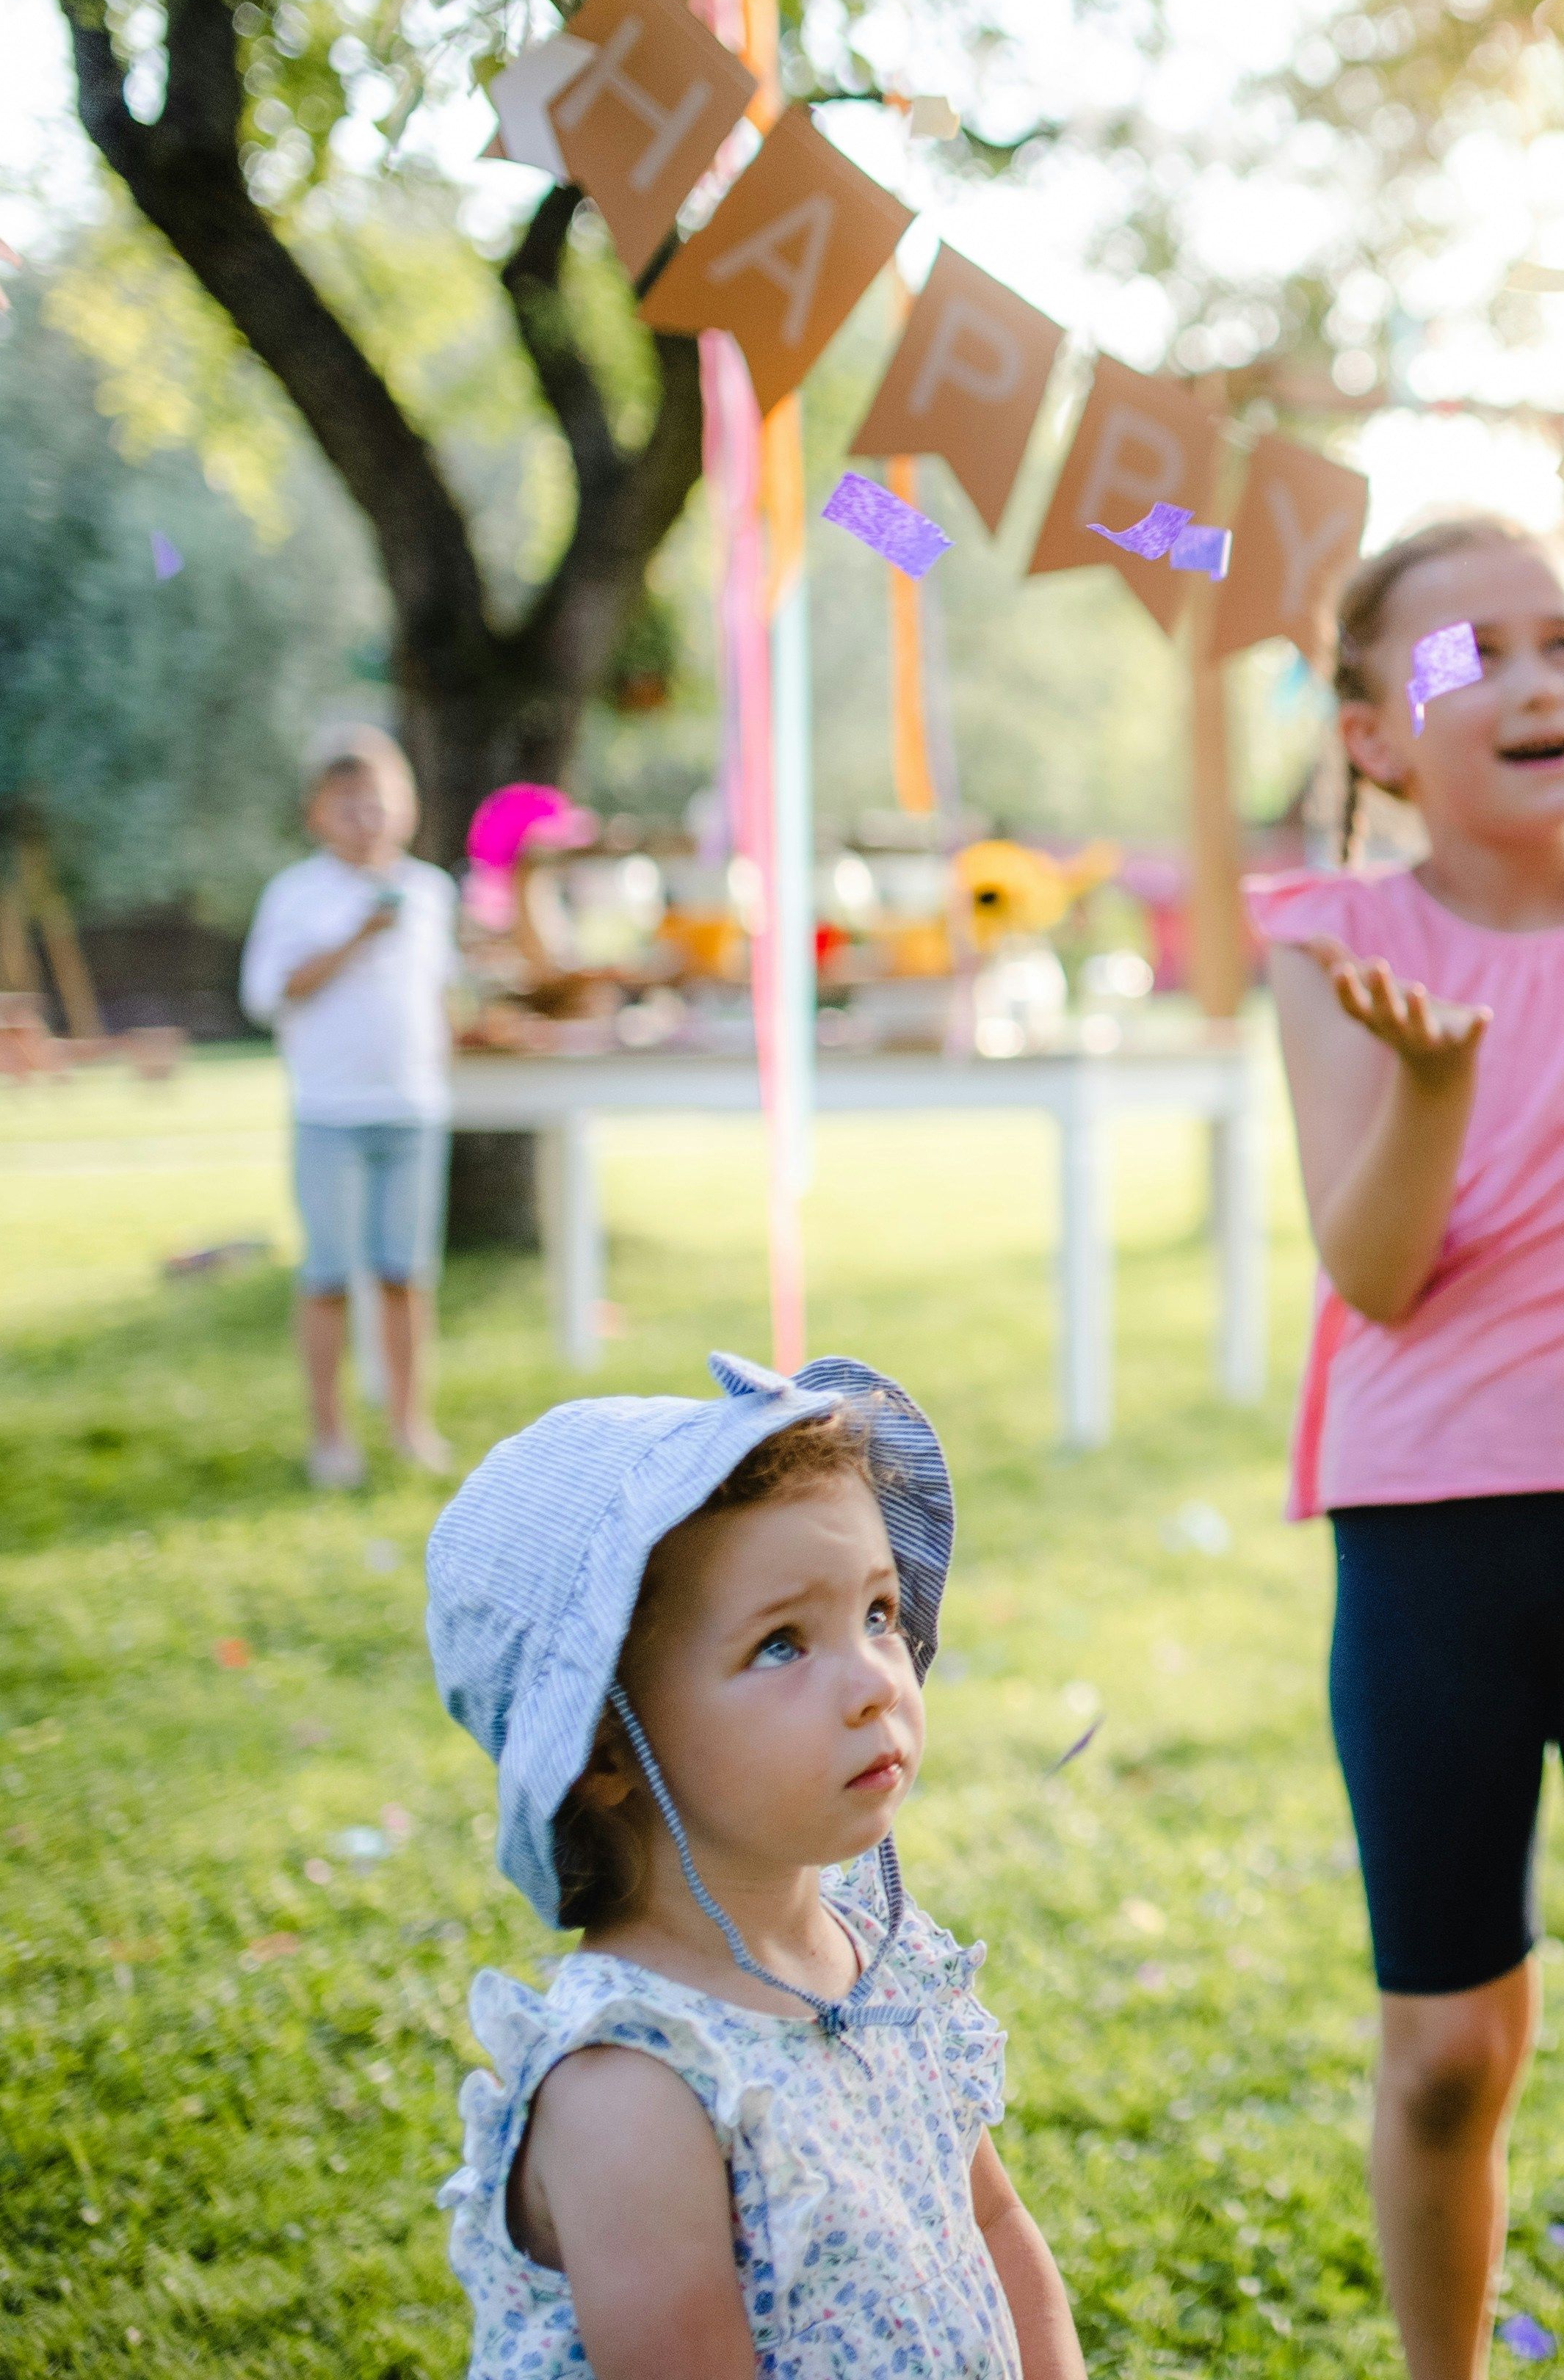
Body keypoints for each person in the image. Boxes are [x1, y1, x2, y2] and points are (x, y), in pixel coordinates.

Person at [1250, 516, 1564, 2380]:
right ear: (1376, 731)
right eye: (1479, 655)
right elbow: (1373, 1269)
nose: (1544, 678)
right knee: (1450, 2047)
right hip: (1425, 1538)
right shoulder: (1334, 942)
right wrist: (1441, 1086)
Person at [423, 1354, 1082, 2379]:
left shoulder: (886, 1962)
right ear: (604, 1748)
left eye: (875, 1614)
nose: (874, 1681)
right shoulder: (635, 2086)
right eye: (781, 1644)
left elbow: (992, 2230)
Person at [238, 723, 461, 1485]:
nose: (365, 817)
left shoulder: (431, 892)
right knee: (329, 1275)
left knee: (407, 1275)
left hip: (412, 1110)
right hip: (330, 1112)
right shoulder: (296, 895)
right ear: (317, 814)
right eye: (348, 805)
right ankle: (330, 1434)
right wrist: (358, 935)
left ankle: (409, 1424)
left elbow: (439, 996)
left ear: (406, 808)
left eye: (379, 802)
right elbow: (268, 993)